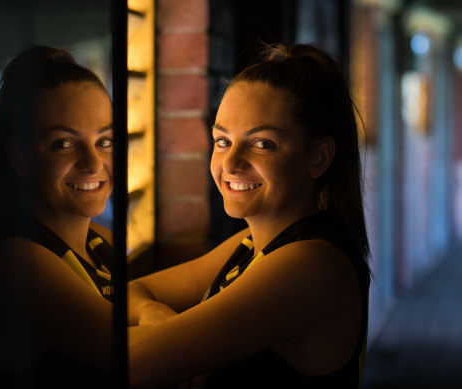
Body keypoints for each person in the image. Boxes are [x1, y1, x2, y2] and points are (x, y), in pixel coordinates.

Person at [127, 43, 371, 388]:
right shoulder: (249, 246)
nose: (230, 163)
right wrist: (154, 314)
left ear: (318, 158)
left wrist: (160, 333)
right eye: (222, 141)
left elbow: (135, 364)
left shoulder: (309, 265)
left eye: (262, 144)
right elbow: (134, 291)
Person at [0, 45, 115, 388]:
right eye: (63, 144)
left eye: (105, 141)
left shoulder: (97, 239)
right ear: (20, 156)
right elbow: (140, 353)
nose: (93, 163)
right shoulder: (17, 263)